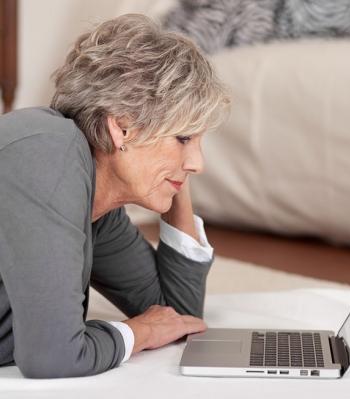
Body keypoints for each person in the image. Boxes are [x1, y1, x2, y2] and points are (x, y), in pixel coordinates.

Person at [0, 13, 230, 378]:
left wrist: (174, 175)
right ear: (121, 127)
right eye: (184, 138)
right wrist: (138, 332)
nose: (198, 164)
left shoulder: (96, 202)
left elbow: (177, 315)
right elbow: (53, 355)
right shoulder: (46, 153)